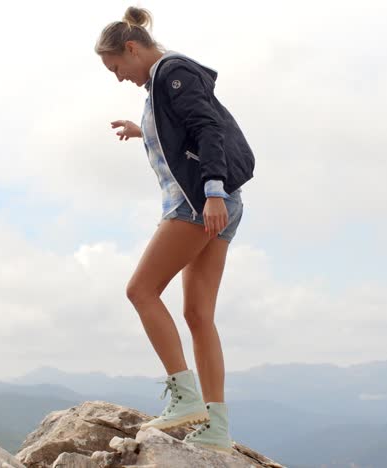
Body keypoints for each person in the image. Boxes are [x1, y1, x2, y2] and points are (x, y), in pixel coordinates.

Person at [94, 6, 255, 454]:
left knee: (141, 291)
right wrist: (140, 131)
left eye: (116, 67)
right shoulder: (160, 84)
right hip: (213, 202)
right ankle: (217, 427)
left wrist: (214, 192)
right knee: (198, 315)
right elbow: (180, 135)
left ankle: (185, 399)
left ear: (131, 48)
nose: (118, 76)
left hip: (198, 205)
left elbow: (207, 129)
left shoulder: (172, 72)